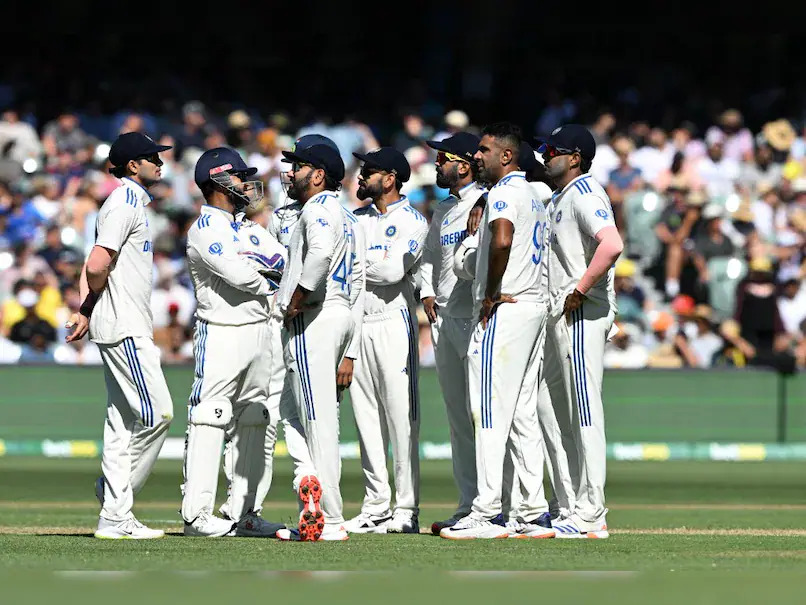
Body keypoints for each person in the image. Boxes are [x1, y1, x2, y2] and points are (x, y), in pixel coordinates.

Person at [441, 122, 551, 540]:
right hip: (532, 307)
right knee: (522, 413)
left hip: (505, 309)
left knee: (486, 410)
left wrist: (490, 293)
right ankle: (532, 511)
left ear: (507, 155)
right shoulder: (532, 195)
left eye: (484, 150)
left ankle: (487, 513)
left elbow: (501, 240)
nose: (476, 156)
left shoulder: (504, 193)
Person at [64, 132, 174, 540]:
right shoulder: (124, 202)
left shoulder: (129, 202)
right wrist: (91, 306)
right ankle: (115, 501)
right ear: (133, 165)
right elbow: (96, 264)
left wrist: (86, 309)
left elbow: (96, 262)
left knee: (121, 425)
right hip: (125, 325)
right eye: (153, 159)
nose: (160, 165)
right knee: (158, 413)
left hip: (122, 322)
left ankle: (114, 514)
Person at [181, 147, 287, 538]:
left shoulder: (249, 229)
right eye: (240, 177)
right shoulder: (205, 228)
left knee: (257, 418)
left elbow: (284, 262)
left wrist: (274, 275)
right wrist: (275, 281)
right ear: (218, 182)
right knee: (210, 416)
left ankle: (245, 512)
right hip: (222, 329)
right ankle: (197, 515)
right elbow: (240, 275)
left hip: (261, 329)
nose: (247, 184)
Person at [536, 124, 624, 538]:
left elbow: (611, 244)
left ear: (575, 157)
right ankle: (571, 505)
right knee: (554, 409)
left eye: (553, 150)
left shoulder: (586, 193)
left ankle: (593, 514)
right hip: (562, 311)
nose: (545, 155)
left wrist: (580, 288)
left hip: (581, 313)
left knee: (585, 411)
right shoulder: (561, 196)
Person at [345, 147, 427, 535]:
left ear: (391, 178)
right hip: (357, 323)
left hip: (394, 321)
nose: (360, 178)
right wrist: (364, 270)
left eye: (369, 172)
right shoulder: (354, 219)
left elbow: (394, 270)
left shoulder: (413, 221)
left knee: (401, 419)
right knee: (365, 418)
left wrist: (357, 267)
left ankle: (406, 508)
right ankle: (375, 505)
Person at [276, 142, 354, 541]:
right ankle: (308, 479)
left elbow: (320, 255)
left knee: (318, 421)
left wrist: (298, 297)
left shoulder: (318, 208)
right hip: (335, 313)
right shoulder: (341, 213)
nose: (292, 173)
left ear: (319, 174)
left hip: (315, 316)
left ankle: (332, 519)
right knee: (294, 411)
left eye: (299, 165)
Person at [418, 132, 484, 534]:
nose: (437, 165)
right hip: (444, 322)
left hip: (476, 320)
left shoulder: (486, 199)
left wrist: (487, 202)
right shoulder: (443, 208)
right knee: (459, 421)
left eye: (442, 159)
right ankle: (468, 504)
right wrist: (426, 291)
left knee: (485, 417)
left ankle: (504, 504)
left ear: (463, 164)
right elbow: (429, 257)